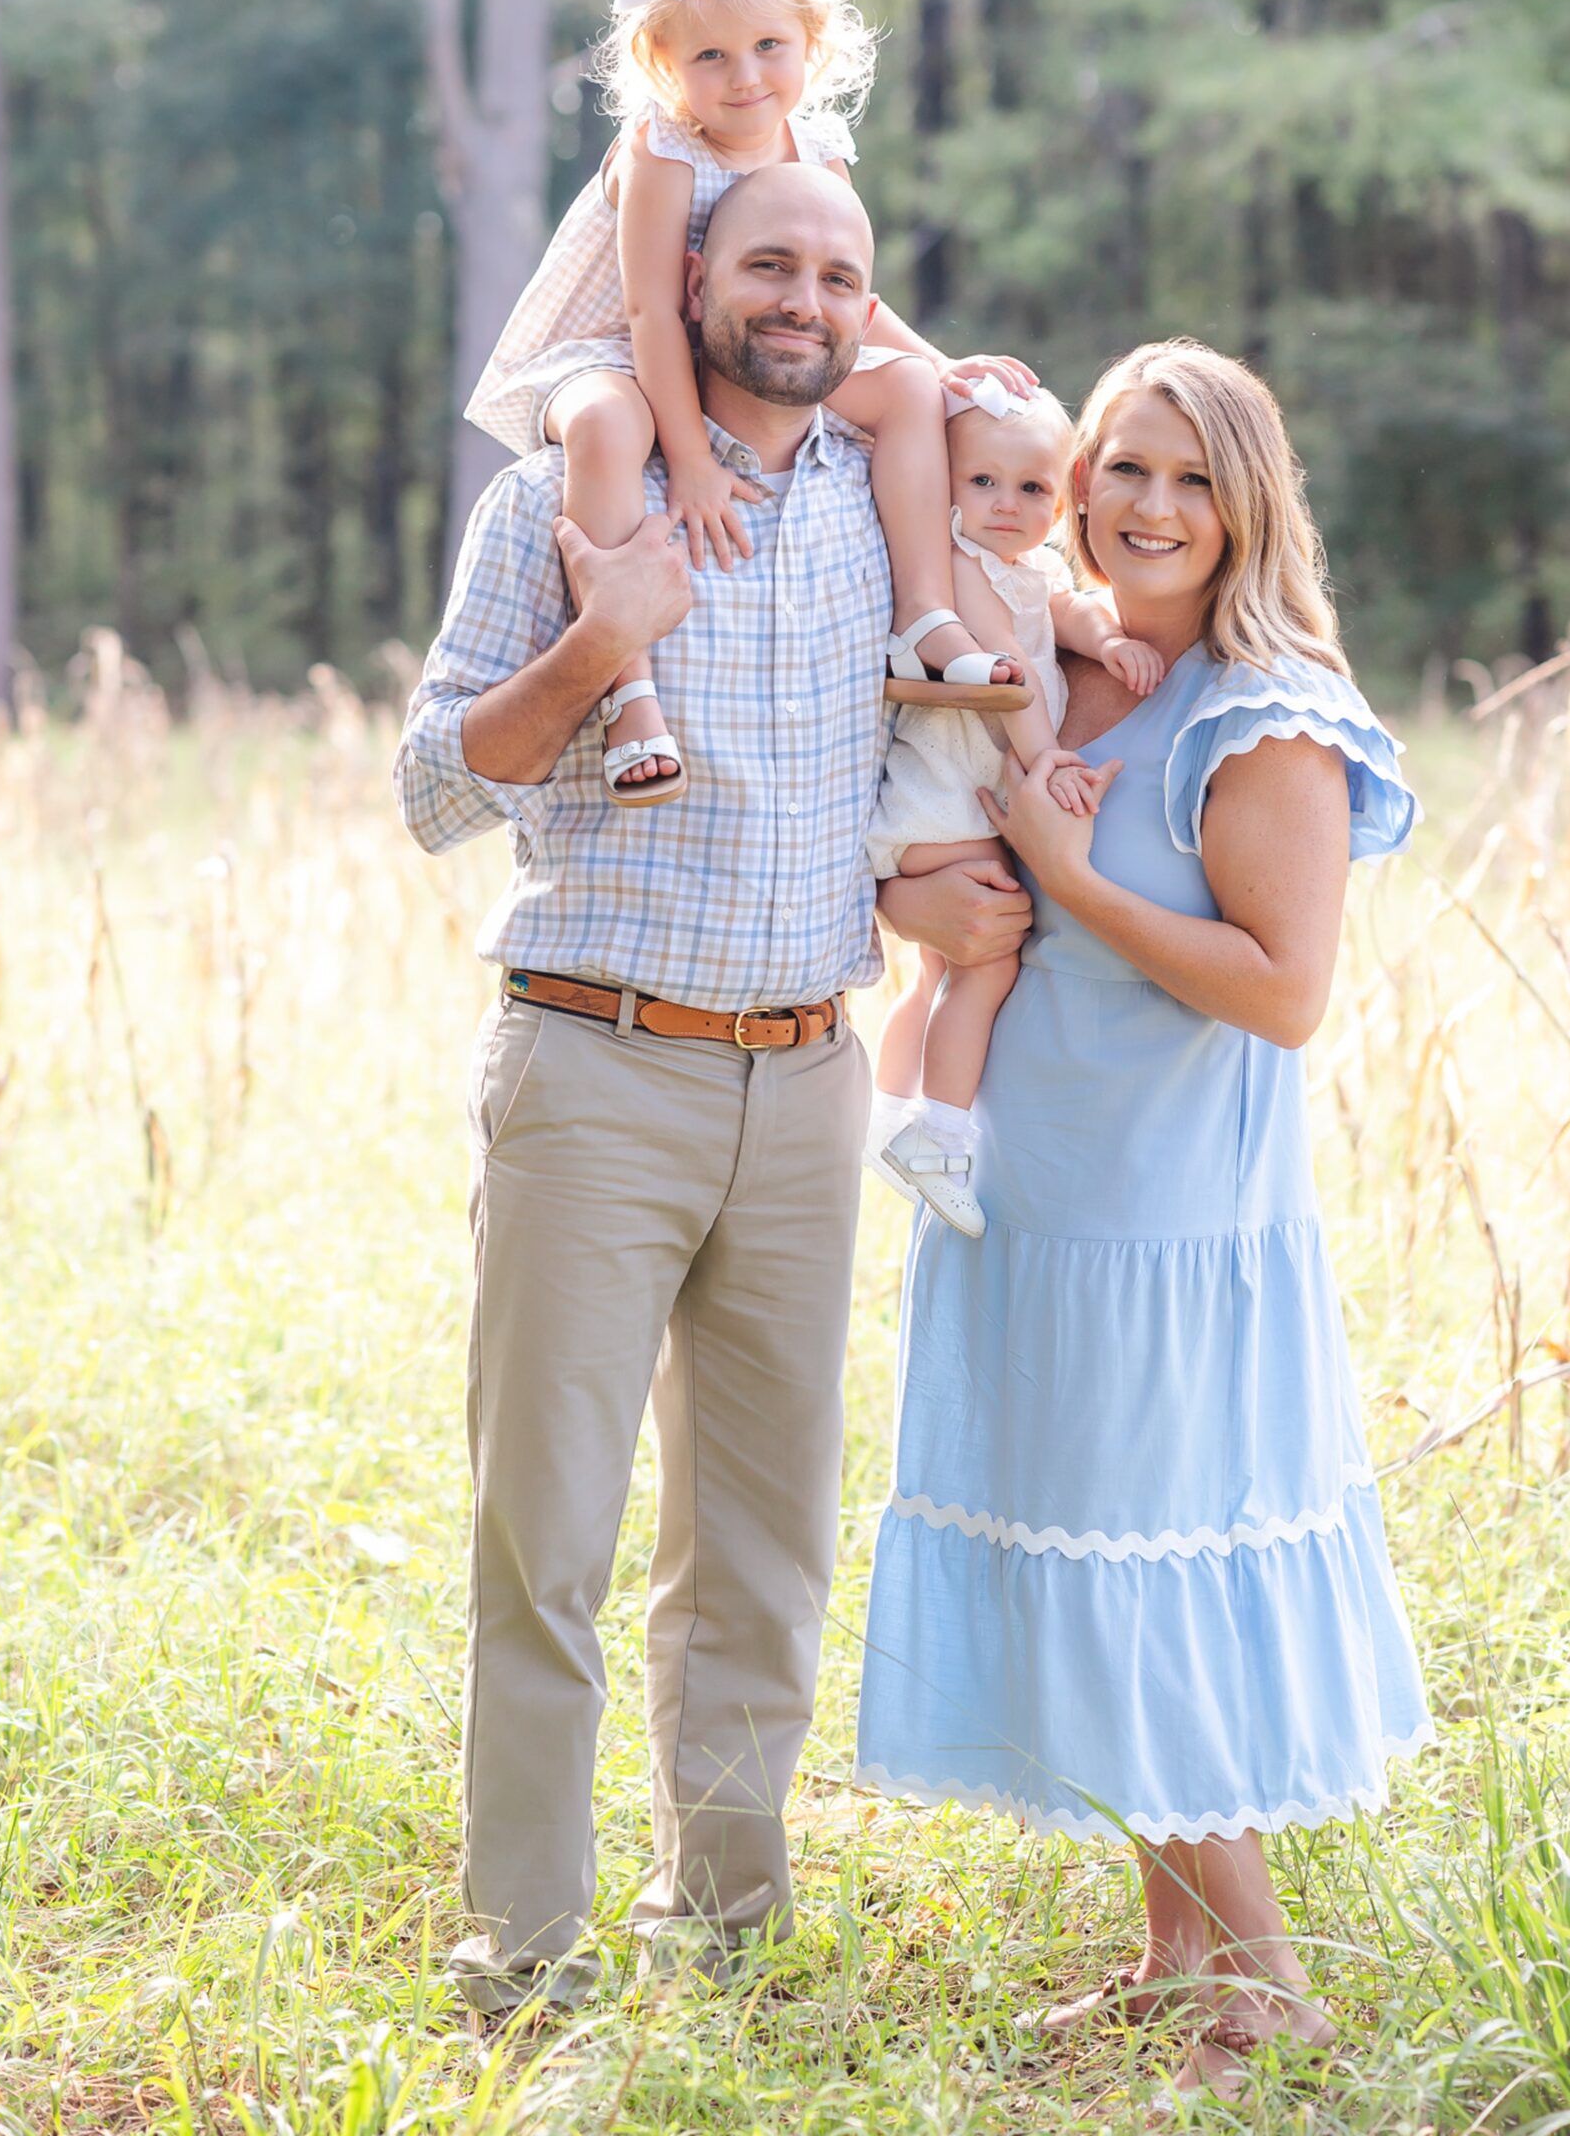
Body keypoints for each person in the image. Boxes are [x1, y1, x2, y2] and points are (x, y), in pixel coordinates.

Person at [394, 159, 1030, 2022]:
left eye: (841, 270)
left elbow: (1027, 643)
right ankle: (522, 1951)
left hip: (806, 1079)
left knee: (759, 1541)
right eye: (771, 261)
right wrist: (604, 641)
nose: (807, 298)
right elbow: (435, 787)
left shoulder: (883, 512)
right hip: (595, 1066)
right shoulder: (561, 495)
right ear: (691, 278)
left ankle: (729, 1927)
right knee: (552, 1536)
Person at [854, 339, 1433, 2106]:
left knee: (1146, 1564)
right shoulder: (1052, 663)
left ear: (1247, 503)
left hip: (1169, 1229)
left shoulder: (1268, 711)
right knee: (1089, 1556)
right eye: (1125, 468)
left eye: (1191, 478)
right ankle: (1173, 1961)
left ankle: (1268, 1983)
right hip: (1026, 1195)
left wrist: (1080, 876)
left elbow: (1283, 993)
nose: (1151, 507)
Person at [465, 0, 1037, 803]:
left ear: (812, 45)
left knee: (908, 395)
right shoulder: (664, 147)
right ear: (664, 66)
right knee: (611, 430)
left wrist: (944, 369)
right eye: (711, 58)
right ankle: (628, 688)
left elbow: (851, 299)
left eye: (770, 46)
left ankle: (926, 621)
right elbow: (652, 308)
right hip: (617, 349)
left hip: (754, 350)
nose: (744, 79)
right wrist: (688, 458)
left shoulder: (819, 149)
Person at [864, 384, 1164, 1234]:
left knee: (936, 972)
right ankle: (942, 1135)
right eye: (983, 482)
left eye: (1032, 490)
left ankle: (889, 1110)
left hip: (945, 808)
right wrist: (1049, 763)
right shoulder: (954, 561)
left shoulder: (1034, 567)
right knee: (987, 965)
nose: (1006, 506)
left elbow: (1060, 614)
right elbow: (1008, 671)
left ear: (1063, 498)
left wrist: (1105, 639)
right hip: (949, 801)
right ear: (947, 486)